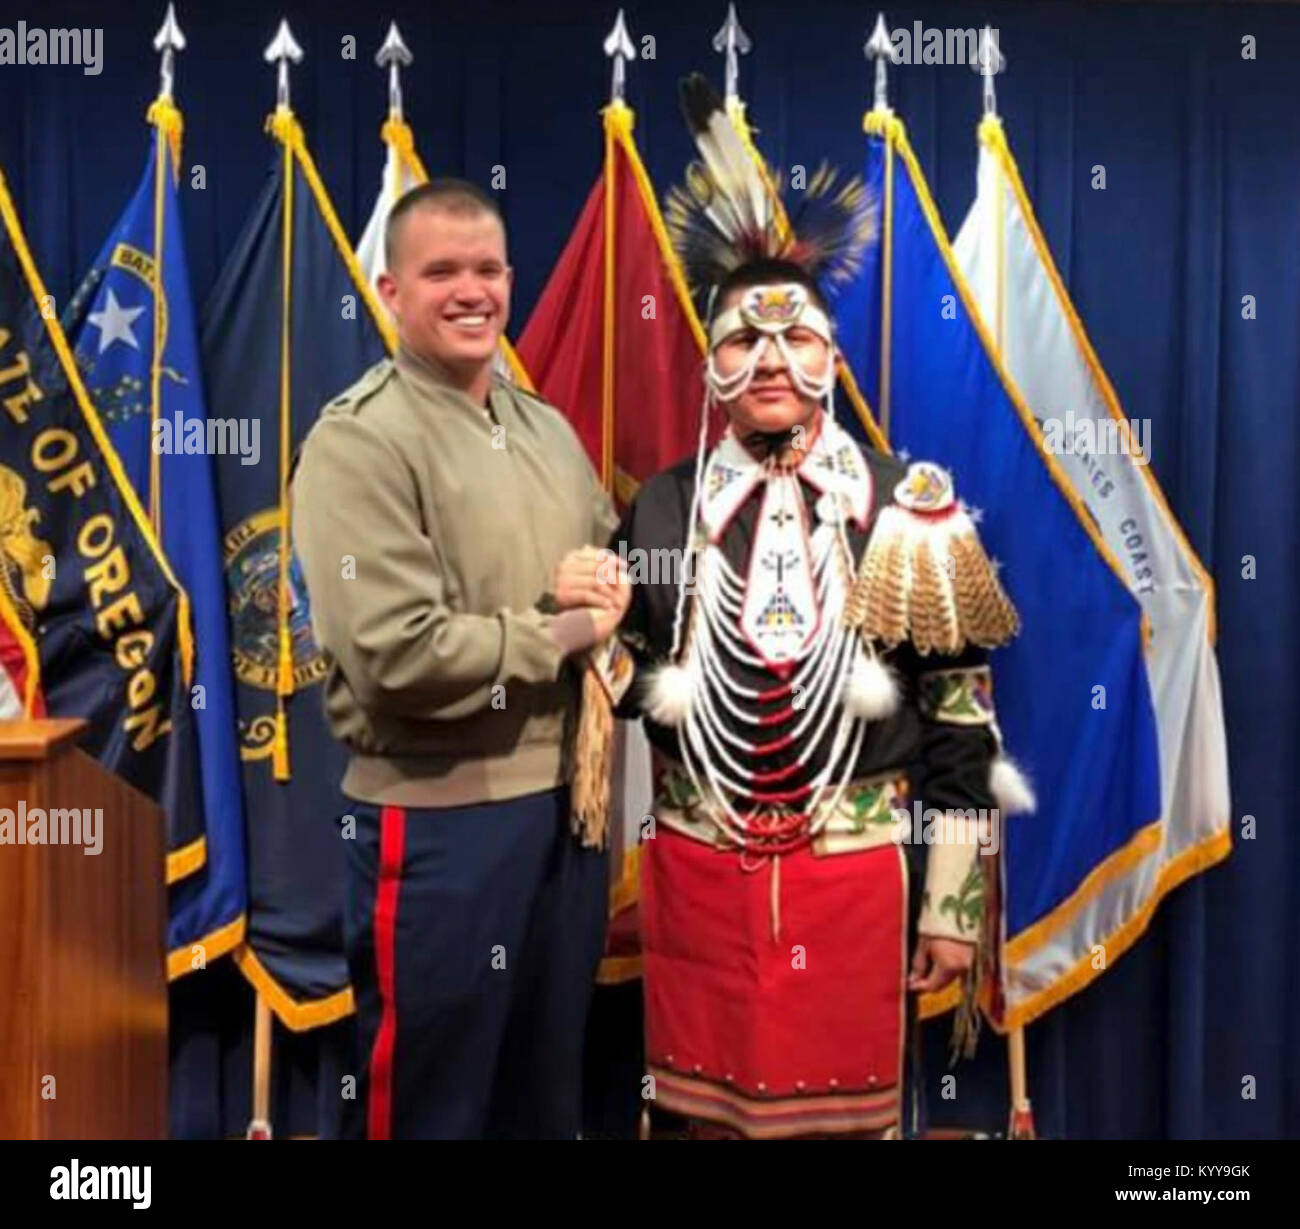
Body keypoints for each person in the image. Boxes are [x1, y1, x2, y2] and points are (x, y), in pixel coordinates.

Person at [611, 76, 1030, 1139]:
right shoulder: (664, 504)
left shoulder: (907, 503)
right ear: (709, 369)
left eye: (795, 339)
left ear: (831, 359)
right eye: (741, 343)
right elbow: (623, 698)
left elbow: (962, 719)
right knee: (703, 1124)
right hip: (699, 878)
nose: (769, 361)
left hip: (854, 887)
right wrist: (579, 624)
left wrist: (951, 907)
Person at [292, 178, 629, 1139]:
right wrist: (563, 630)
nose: (469, 290)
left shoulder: (545, 429)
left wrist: (620, 606)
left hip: (567, 816)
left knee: (544, 1102)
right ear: (391, 292)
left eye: (487, 269)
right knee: (433, 1106)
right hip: (438, 825)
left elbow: (605, 573)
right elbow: (400, 654)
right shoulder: (359, 440)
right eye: (441, 271)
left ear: (511, 280)